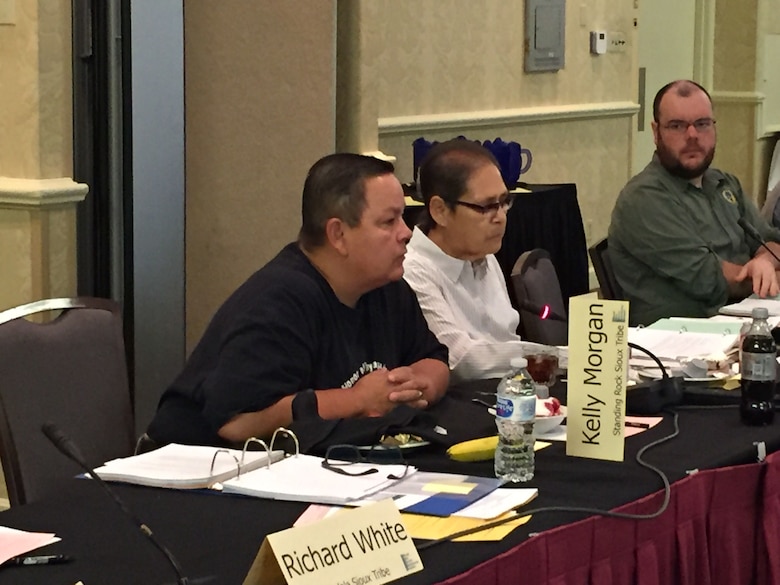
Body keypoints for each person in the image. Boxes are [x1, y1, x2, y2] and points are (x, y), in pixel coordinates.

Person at [146, 153, 450, 447]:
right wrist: (357, 400)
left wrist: (419, 385)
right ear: (338, 234)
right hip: (199, 473)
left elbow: (433, 358)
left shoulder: (385, 286)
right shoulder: (278, 301)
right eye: (389, 221)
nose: (406, 233)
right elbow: (238, 423)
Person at [609, 79, 780, 325]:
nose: (692, 135)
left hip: (742, 326)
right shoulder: (644, 198)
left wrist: (765, 261)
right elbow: (714, 281)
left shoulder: (725, 183)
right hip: (679, 342)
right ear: (656, 133)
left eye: (702, 124)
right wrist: (762, 274)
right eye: (677, 126)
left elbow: (770, 241)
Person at [403, 139, 544, 382]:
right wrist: (561, 358)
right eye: (486, 206)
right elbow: (462, 360)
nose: (500, 217)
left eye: (504, 202)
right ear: (440, 210)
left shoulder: (483, 253)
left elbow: (506, 338)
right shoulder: (413, 270)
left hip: (509, 391)